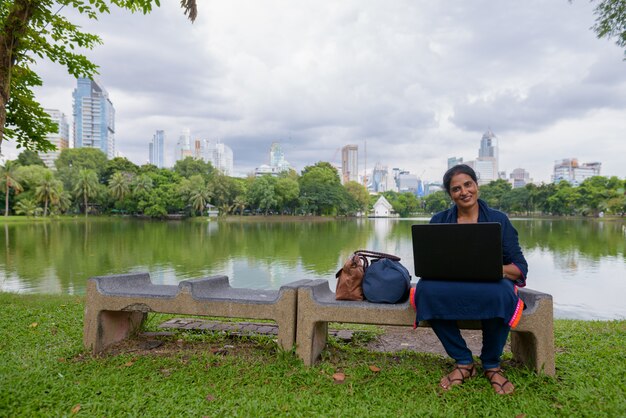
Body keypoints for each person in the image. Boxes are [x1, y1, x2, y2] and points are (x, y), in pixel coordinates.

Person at [413, 164, 528, 395]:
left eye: (468, 184)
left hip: (492, 282)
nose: (464, 192)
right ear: (450, 194)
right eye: (456, 189)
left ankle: (492, 364)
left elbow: (519, 267)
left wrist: (493, 268)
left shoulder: (499, 220)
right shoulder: (439, 220)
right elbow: (430, 263)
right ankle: (463, 361)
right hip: (451, 283)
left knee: (502, 294)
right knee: (425, 290)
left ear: (476, 186)